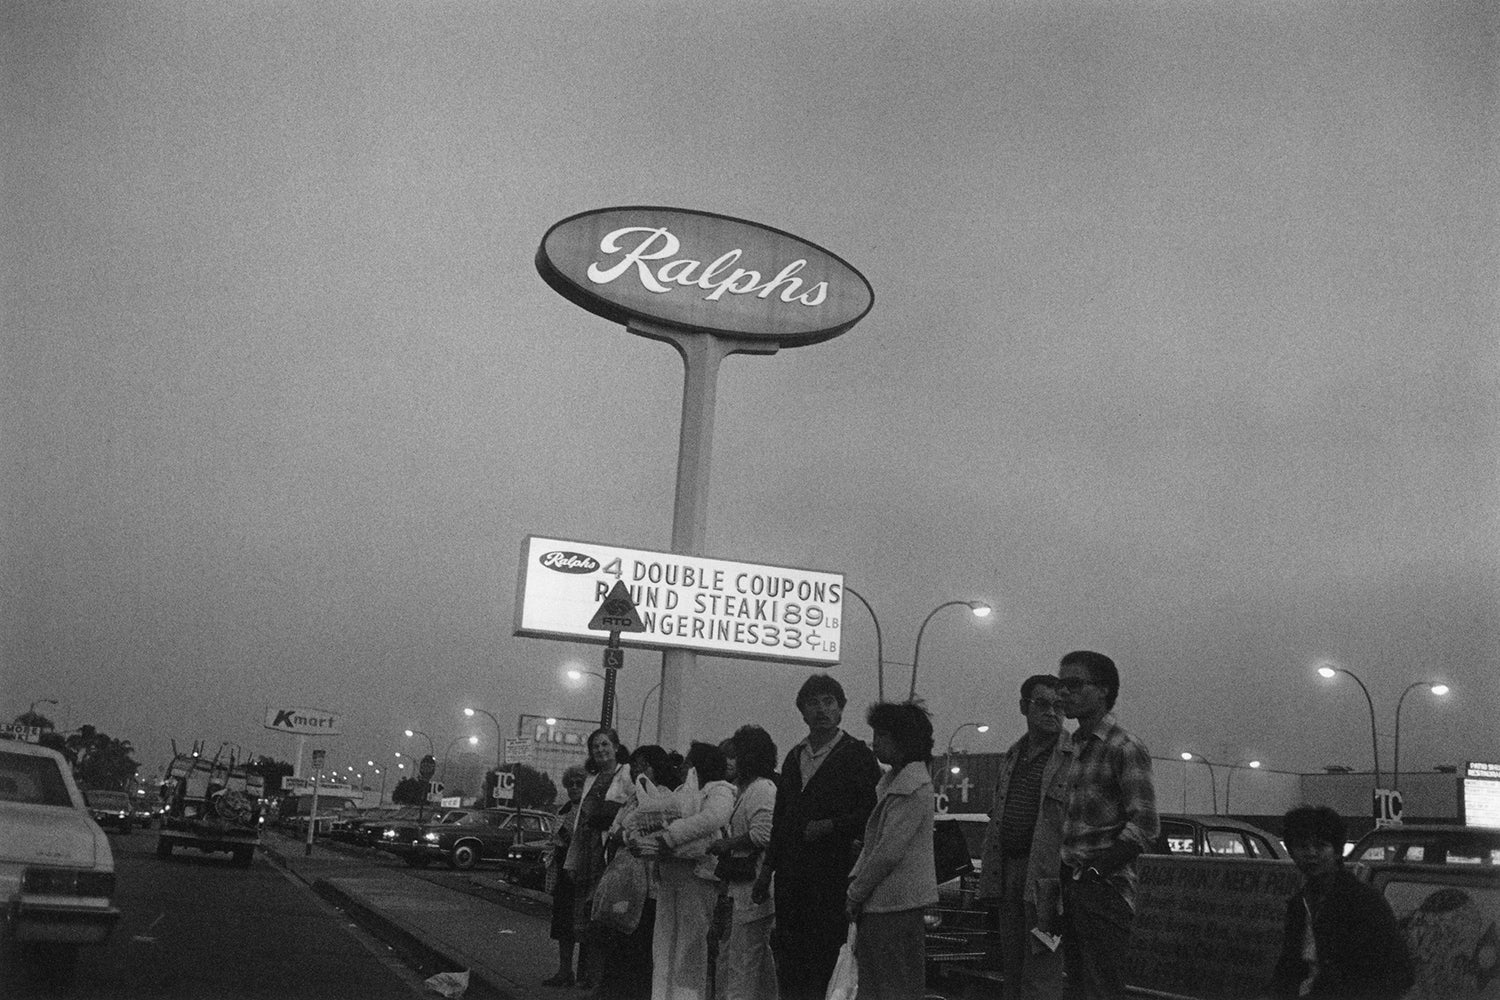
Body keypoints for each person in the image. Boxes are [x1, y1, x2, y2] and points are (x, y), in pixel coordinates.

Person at [754, 674, 881, 1000]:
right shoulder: (795, 757)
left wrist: (831, 826)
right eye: (813, 703)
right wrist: (767, 870)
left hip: (833, 877)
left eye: (828, 702)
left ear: (841, 709)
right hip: (791, 880)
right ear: (802, 711)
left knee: (826, 959)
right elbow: (781, 818)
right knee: (791, 960)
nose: (821, 709)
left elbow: (870, 813)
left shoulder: (857, 755)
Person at [1055, 650, 1159, 1000]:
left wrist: (1096, 873)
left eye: (1073, 684)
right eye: (1060, 684)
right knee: (1077, 985)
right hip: (1070, 885)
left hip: (1104, 890)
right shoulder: (1075, 746)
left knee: (1101, 988)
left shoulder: (1124, 747)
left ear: (1103, 690)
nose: (1062, 693)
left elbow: (1144, 824)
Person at [978, 675, 1072, 1000]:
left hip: (1049, 884)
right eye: (1042, 704)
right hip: (1010, 874)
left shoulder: (1073, 759)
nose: (1052, 712)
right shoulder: (1012, 755)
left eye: (1059, 706)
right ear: (1024, 706)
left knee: (1042, 972)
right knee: (1013, 972)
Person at [1268, 805, 1414, 999]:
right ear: (1292, 852)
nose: (1311, 853)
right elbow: (1290, 966)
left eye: (1320, 846)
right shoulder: (1299, 904)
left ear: (1337, 851)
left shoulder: (1363, 902)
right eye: (1303, 846)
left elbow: (1398, 972)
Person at [845, 701, 939, 1000]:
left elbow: (886, 851)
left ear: (904, 739)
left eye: (882, 735)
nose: (875, 743)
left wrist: (855, 891)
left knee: (886, 986)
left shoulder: (909, 788)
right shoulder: (899, 784)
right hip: (893, 905)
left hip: (891, 906)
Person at [631, 740, 736, 1000]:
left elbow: (713, 818)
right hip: (671, 874)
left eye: (690, 761)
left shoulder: (720, 791)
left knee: (690, 947)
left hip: (697, 876)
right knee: (664, 944)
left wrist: (671, 837)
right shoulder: (683, 791)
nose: (684, 766)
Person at [706, 725, 779, 1000]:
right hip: (739, 889)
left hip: (753, 888)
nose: (729, 761)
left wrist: (728, 844)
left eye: (736, 755)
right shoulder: (741, 789)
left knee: (742, 964)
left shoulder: (762, 789)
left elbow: (765, 833)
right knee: (750, 964)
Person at [598, 744, 673, 1000]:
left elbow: (647, 833)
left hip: (647, 887)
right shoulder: (633, 797)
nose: (637, 770)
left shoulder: (661, 797)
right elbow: (615, 827)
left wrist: (623, 835)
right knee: (618, 940)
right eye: (636, 765)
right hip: (624, 882)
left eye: (643, 765)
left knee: (637, 948)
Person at [565, 727, 630, 990]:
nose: (601, 750)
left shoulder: (626, 774)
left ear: (615, 746)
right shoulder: (591, 777)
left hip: (609, 854)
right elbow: (581, 820)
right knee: (586, 918)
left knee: (604, 917)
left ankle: (603, 981)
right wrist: (572, 860)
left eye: (605, 745)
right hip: (587, 853)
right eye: (595, 747)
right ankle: (591, 978)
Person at [544, 765, 588, 987]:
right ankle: (564, 970)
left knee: (580, 923)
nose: (573, 788)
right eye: (570, 784)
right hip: (561, 871)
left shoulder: (588, 810)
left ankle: (585, 975)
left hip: (580, 872)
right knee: (562, 925)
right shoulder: (563, 810)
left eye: (578, 783)